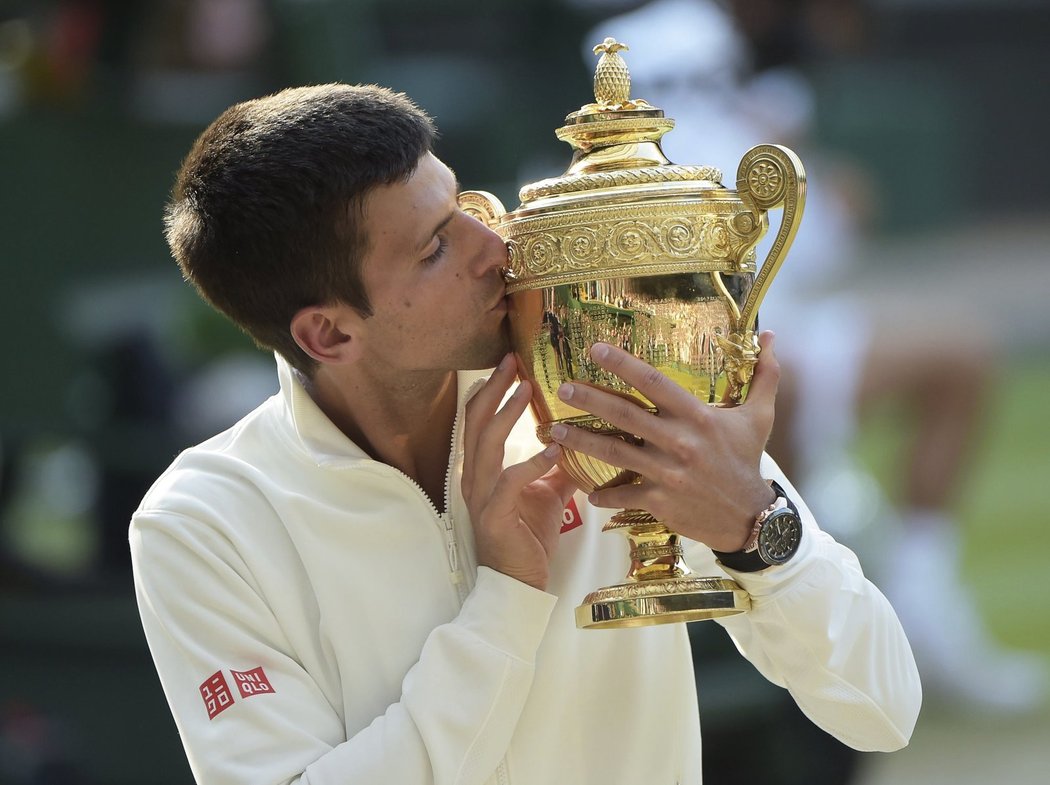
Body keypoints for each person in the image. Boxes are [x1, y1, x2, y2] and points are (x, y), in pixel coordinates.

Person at [129, 82, 920, 785]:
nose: (497, 248)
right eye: (437, 247)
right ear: (328, 335)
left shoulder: (604, 399)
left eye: (465, 206)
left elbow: (884, 708)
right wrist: (505, 597)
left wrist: (756, 528)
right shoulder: (200, 523)